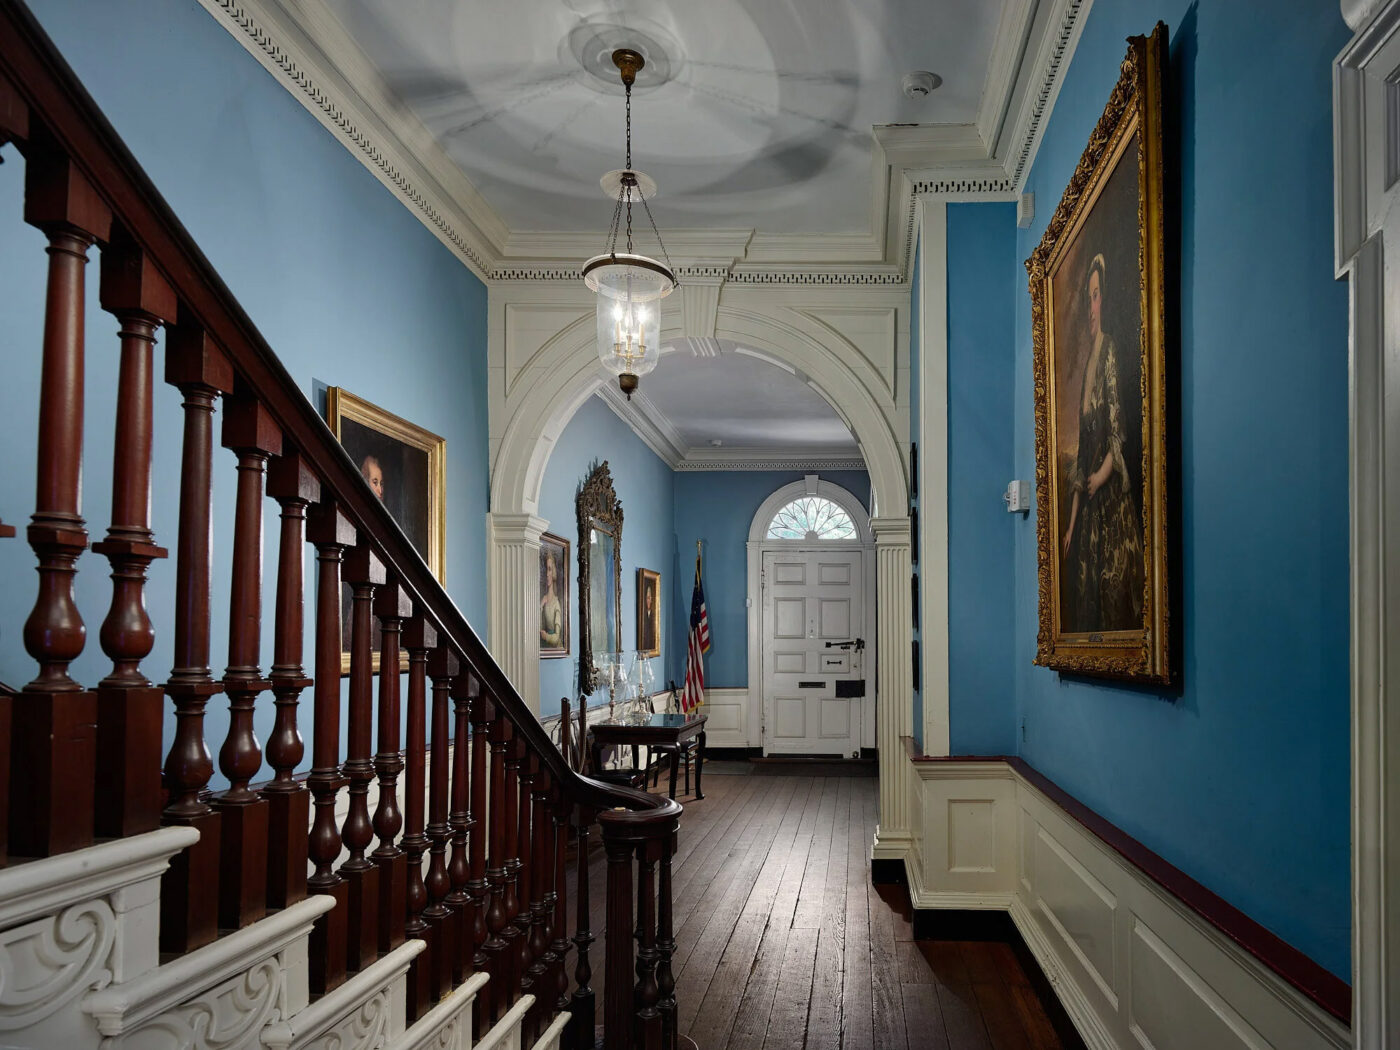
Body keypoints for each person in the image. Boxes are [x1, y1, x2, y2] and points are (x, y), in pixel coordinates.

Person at [1060, 253, 1143, 632]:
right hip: (1091, 506)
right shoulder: (1088, 366)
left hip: (1110, 505)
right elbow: (1082, 460)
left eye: (1096, 297)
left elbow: (1116, 431)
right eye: (1088, 299)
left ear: (1104, 300)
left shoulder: (1109, 350)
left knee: (1115, 595)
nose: (1091, 308)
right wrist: (1071, 527)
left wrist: (1101, 477)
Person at [540, 550, 564, 649]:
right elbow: (540, 628)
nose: (547, 574)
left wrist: (546, 636)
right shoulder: (544, 599)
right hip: (546, 647)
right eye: (546, 569)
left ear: (553, 572)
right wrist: (540, 606)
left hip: (555, 647)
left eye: (549, 569)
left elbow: (556, 637)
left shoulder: (556, 603)